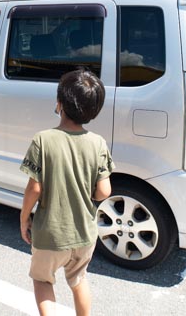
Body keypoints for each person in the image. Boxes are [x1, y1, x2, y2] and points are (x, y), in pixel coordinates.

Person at [19, 69, 115, 316]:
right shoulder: (98, 143)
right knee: (78, 279)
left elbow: (34, 188)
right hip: (84, 234)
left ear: (59, 103)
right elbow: (104, 190)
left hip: (50, 235)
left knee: (43, 280)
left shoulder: (43, 140)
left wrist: (24, 217)